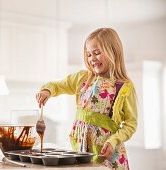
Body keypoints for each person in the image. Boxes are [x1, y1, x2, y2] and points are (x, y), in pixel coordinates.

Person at [36, 28, 137, 170]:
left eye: (97, 53)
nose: (92, 58)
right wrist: (47, 90)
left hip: (107, 153)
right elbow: (58, 85)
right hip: (82, 149)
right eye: (88, 54)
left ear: (113, 51)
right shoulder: (83, 78)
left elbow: (130, 124)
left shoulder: (124, 87)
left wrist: (114, 140)